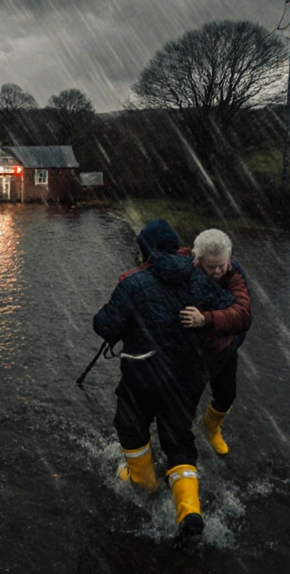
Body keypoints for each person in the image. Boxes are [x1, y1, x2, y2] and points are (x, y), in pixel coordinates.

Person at [92, 219, 233, 539]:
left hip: (142, 376)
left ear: (145, 251)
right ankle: (190, 511)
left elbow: (103, 325)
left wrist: (127, 324)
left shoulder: (133, 282)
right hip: (186, 379)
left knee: (129, 425)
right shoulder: (198, 278)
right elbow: (225, 313)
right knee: (179, 439)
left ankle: (145, 482)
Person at [179, 228, 253, 456]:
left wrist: (206, 319)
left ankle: (211, 428)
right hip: (191, 351)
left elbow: (243, 314)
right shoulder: (181, 262)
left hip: (224, 348)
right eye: (212, 266)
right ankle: (176, 446)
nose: (220, 270)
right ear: (197, 258)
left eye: (223, 264)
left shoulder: (234, 273)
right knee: (184, 404)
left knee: (226, 395)